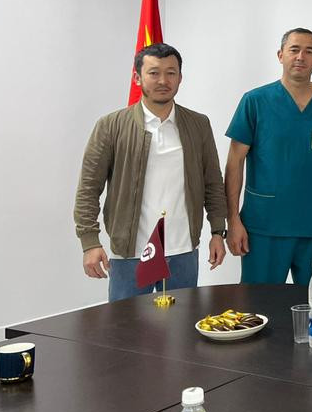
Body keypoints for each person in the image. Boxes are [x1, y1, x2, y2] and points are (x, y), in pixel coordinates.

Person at [74, 43, 226, 301]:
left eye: (171, 73)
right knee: (126, 324)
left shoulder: (198, 124)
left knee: (182, 323)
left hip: (182, 251)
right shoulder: (111, 126)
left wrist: (217, 232)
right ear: (137, 77)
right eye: (154, 73)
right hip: (130, 254)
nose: (163, 81)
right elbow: (88, 188)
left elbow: (212, 182)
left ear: (180, 78)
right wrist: (90, 242)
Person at [224, 28, 312, 285]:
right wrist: (232, 219)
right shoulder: (255, 101)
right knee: (258, 303)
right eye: (294, 50)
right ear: (280, 55)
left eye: (309, 51)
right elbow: (235, 162)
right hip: (264, 225)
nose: (301, 57)